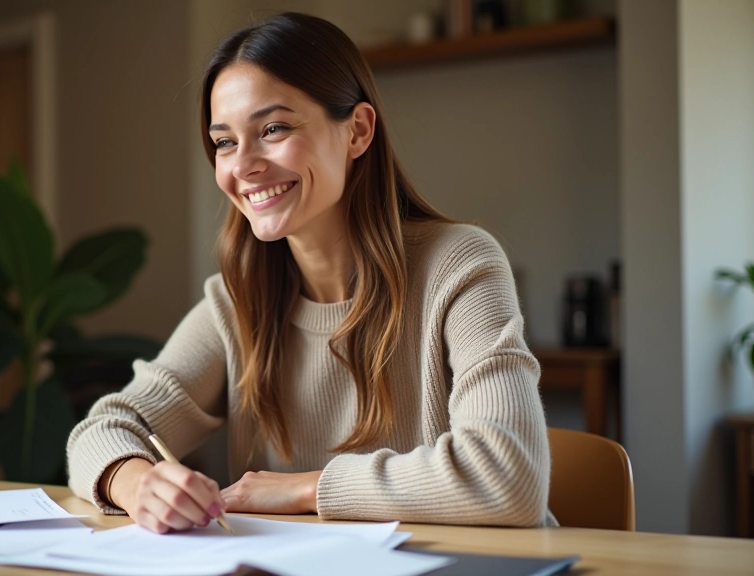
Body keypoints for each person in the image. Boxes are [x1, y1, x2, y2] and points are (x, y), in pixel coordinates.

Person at [67, 12, 552, 534]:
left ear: (357, 131)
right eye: (225, 142)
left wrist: (303, 489)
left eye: (273, 129)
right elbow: (104, 428)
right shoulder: (238, 300)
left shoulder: (459, 265)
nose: (243, 165)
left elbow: (509, 476)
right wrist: (139, 484)